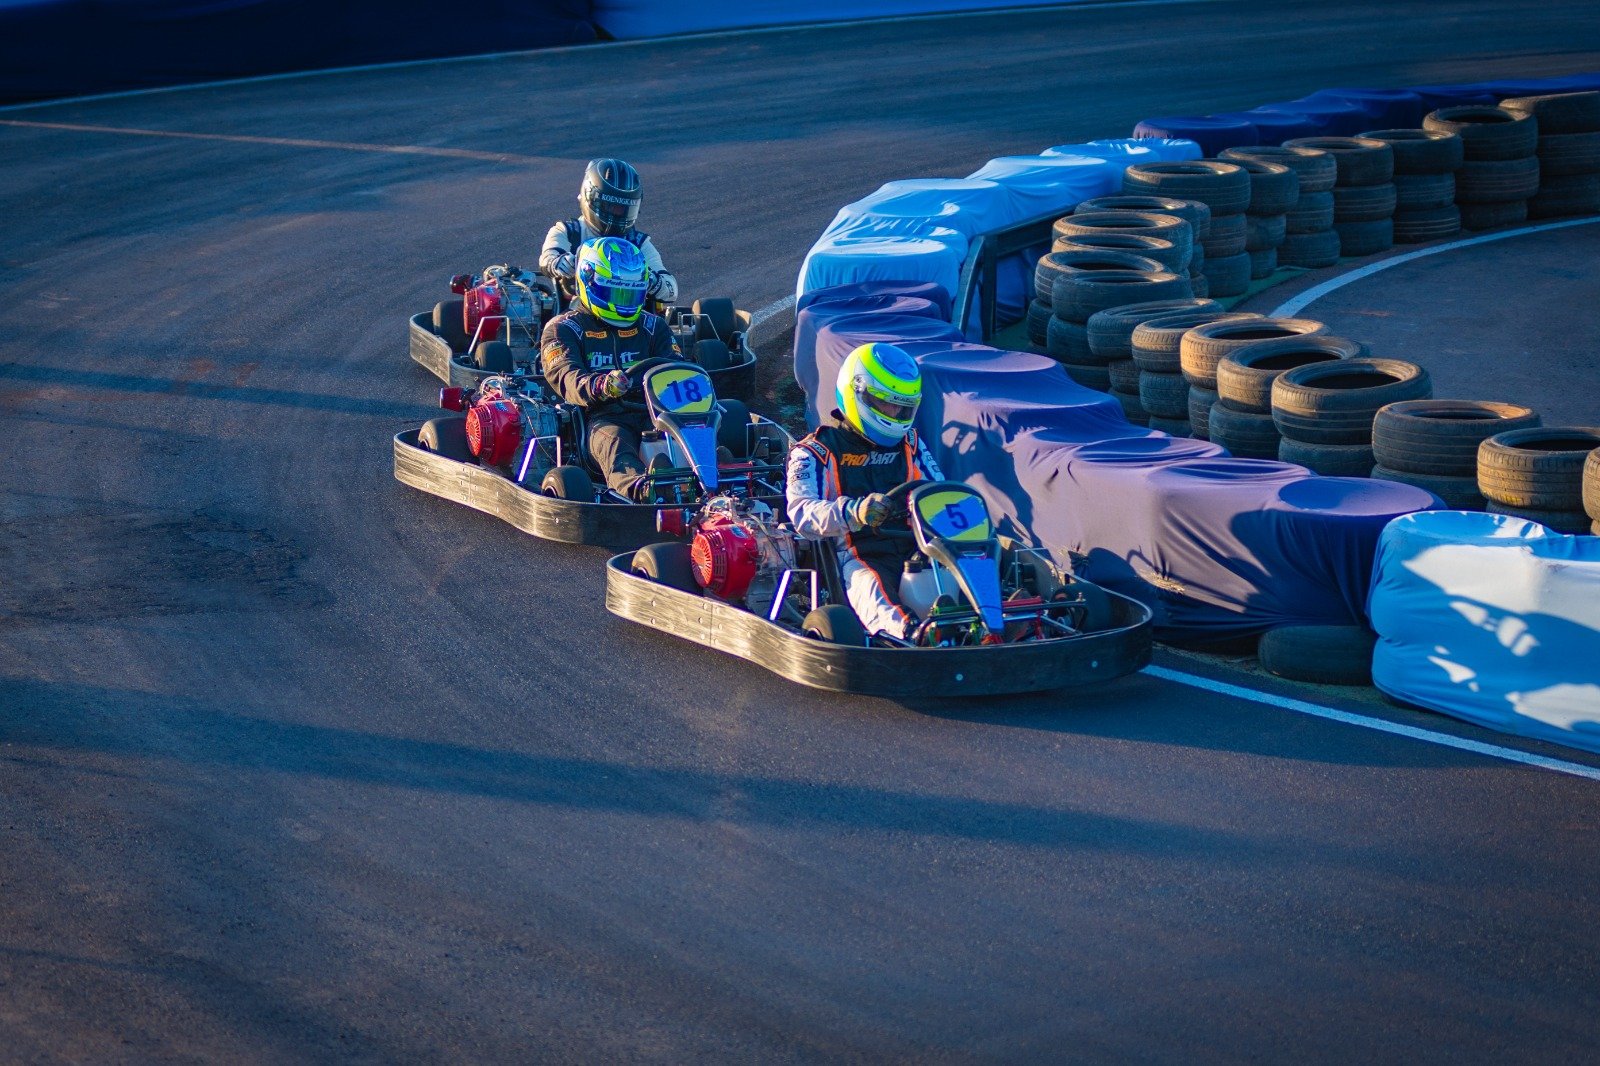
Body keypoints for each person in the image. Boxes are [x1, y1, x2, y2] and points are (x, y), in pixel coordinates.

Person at [787, 342, 944, 640]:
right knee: (871, 584)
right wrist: (854, 512)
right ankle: (912, 635)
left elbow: (938, 488)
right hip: (859, 552)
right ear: (857, 393)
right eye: (886, 403)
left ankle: (996, 617)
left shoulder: (910, 443)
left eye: (902, 406)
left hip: (918, 547)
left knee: (972, 555)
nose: (894, 412)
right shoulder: (814, 452)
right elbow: (802, 513)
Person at [541, 237, 682, 501]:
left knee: (701, 426)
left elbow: (678, 369)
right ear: (589, 283)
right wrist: (601, 385)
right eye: (616, 294)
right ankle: (643, 490)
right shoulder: (564, 329)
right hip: (602, 416)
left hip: (656, 412)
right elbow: (566, 377)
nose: (624, 302)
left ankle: (718, 471)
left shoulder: (653, 326)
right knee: (616, 442)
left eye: (631, 294)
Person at [539, 158, 679, 306]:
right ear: (590, 198)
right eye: (610, 207)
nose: (617, 214)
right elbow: (548, 258)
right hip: (577, 313)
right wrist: (561, 263)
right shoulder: (568, 232)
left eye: (623, 209)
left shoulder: (639, 243)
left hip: (630, 314)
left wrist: (652, 281)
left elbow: (671, 290)